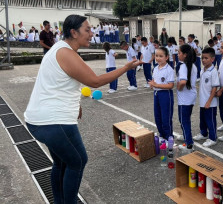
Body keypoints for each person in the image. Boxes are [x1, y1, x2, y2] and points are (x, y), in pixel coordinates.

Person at [24, 15, 139, 203]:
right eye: (87, 30)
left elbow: (60, 82)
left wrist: (76, 104)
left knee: (61, 162)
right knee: (77, 161)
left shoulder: (60, 50)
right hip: (54, 122)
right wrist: (125, 68)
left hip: (40, 120)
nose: (91, 33)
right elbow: (94, 81)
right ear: (74, 32)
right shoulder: (66, 53)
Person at [193, 47, 220, 147]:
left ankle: (213, 138)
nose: (203, 60)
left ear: (212, 59)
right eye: (202, 58)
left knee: (210, 120)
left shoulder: (213, 71)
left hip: (210, 102)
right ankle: (203, 133)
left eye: (206, 58)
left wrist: (209, 101)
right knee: (203, 119)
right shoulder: (202, 70)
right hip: (203, 101)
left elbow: (214, 88)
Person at [148, 47, 175, 142]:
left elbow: (171, 85)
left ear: (167, 57)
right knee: (157, 116)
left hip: (165, 94)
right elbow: (154, 81)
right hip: (156, 94)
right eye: (156, 56)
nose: (158, 58)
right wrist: (152, 85)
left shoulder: (169, 70)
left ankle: (168, 137)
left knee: (166, 117)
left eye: (161, 56)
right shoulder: (155, 68)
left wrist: (156, 85)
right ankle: (161, 134)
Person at [176, 44, 197, 152]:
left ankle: (189, 144)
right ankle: (186, 137)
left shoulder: (184, 66)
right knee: (185, 120)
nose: (177, 55)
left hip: (185, 98)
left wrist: (178, 87)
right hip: (189, 97)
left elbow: (183, 81)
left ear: (185, 55)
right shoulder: (192, 65)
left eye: (179, 53)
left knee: (184, 121)